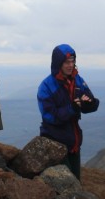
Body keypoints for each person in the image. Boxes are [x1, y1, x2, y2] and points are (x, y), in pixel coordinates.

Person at [37, 44, 99, 179]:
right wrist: (72, 108)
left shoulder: (77, 80)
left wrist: (90, 103)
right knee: (66, 187)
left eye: (72, 61)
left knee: (76, 185)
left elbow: (91, 102)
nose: (70, 65)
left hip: (74, 143)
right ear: (58, 63)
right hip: (55, 144)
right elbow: (49, 116)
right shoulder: (46, 86)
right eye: (67, 62)